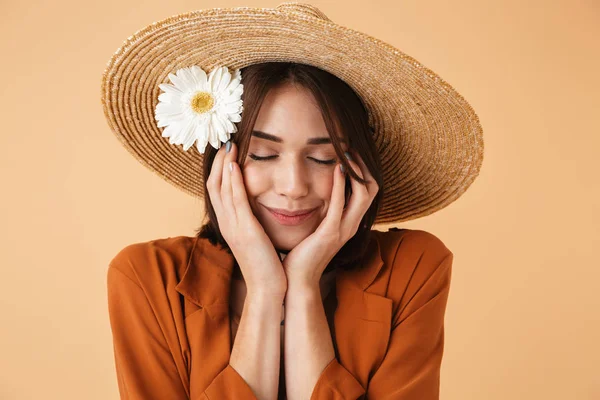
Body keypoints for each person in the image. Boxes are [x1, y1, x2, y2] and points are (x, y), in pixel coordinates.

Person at [101, 3, 484, 400]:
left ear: (359, 167)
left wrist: (302, 287)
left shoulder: (412, 268)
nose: (293, 186)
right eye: (264, 155)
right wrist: (265, 290)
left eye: (323, 157)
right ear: (221, 163)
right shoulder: (148, 278)